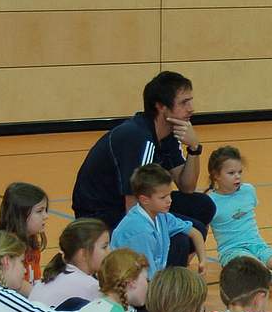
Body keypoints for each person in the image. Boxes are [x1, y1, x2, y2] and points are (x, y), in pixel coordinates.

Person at [71, 70, 215, 269]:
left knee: (202, 206)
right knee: (180, 238)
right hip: (103, 215)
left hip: (133, 203)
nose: (191, 108)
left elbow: (187, 186)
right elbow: (133, 208)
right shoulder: (138, 137)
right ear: (161, 106)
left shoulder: (169, 134)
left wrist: (194, 148)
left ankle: (167, 267)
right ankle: (151, 278)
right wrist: (163, 231)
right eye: (184, 103)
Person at [205, 145, 272, 296]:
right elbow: (202, 231)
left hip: (257, 244)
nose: (237, 176)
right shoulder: (210, 201)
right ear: (216, 175)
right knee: (252, 265)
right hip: (232, 250)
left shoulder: (248, 190)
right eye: (231, 173)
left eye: (240, 172)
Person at [112, 163, 207, 280]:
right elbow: (148, 277)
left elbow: (195, 233)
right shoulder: (140, 231)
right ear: (144, 200)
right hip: (128, 283)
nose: (169, 200)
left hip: (147, 279)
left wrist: (203, 260)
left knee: (182, 238)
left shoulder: (161, 216)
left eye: (169, 195)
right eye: (163, 197)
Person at [29, 218, 110, 309]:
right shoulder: (90, 286)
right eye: (104, 247)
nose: (109, 252)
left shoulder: (55, 274)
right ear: (83, 253)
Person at [0, 182, 49, 291]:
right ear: (20, 215)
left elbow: (35, 281)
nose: (46, 216)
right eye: (39, 211)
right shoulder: (6, 248)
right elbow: (20, 287)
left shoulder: (31, 241)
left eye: (45, 210)